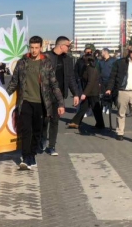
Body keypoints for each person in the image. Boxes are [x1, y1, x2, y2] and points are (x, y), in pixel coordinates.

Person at [6, 36, 65, 170]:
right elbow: (14, 81)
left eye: (36, 48)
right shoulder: (22, 62)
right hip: (26, 101)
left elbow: (54, 84)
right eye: (31, 48)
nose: (34, 51)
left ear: (41, 48)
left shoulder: (46, 63)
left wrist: (61, 103)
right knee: (26, 130)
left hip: (41, 103)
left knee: (37, 131)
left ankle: (32, 155)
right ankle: (26, 157)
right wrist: (5, 95)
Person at [42, 36, 80, 156]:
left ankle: (51, 146)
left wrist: (76, 94)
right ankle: (42, 140)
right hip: (46, 94)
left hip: (59, 96)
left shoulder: (68, 59)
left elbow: (70, 78)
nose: (69, 48)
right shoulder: (46, 57)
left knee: (55, 121)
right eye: (68, 46)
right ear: (61, 45)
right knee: (44, 120)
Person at [105, 44, 132, 143]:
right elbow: (113, 76)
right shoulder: (120, 63)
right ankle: (120, 132)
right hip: (122, 91)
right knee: (121, 113)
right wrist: (109, 88)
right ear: (129, 53)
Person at [68, 54, 104, 130]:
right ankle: (76, 122)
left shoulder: (92, 69)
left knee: (96, 109)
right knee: (83, 108)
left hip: (93, 92)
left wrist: (84, 93)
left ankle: (100, 124)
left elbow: (90, 82)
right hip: (88, 92)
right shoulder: (87, 68)